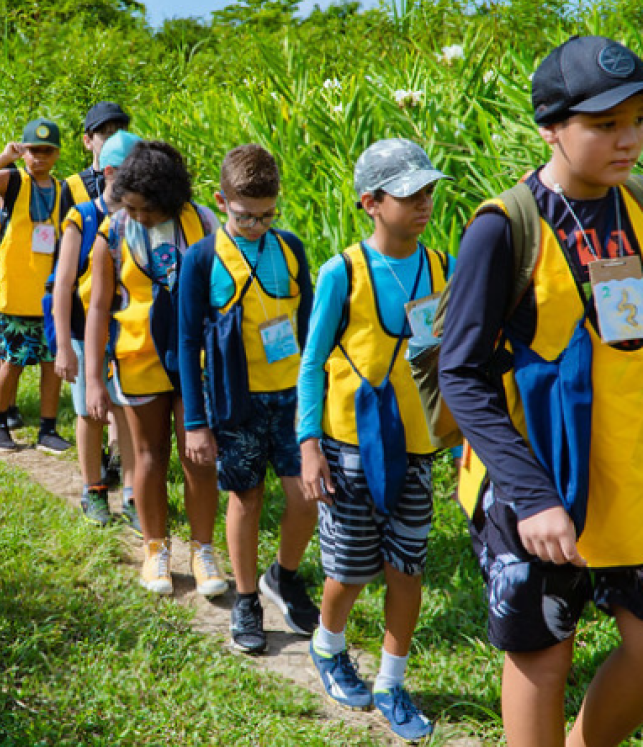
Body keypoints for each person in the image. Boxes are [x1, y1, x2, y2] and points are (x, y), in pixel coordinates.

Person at [441, 35, 643, 747]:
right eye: (605, 124)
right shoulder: (504, 229)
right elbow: (460, 374)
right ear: (550, 127)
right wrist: (533, 497)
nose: (628, 140)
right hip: (536, 482)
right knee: (544, 655)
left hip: (627, 476)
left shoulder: (636, 205)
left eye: (636, 121)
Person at [297, 138, 451, 741]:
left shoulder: (441, 266)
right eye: (409, 195)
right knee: (350, 569)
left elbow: (449, 357)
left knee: (406, 567)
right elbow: (312, 363)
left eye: (428, 193)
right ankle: (328, 645)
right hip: (348, 447)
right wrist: (309, 446)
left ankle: (391, 681)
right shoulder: (343, 272)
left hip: (415, 445)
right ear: (371, 203)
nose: (423, 205)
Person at [178, 143, 319, 653]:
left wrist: (318, 394)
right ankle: (245, 598)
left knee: (307, 495)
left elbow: (309, 329)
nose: (256, 225)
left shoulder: (291, 249)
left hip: (292, 399)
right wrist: (196, 423)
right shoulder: (202, 259)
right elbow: (186, 342)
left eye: (266, 215)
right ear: (221, 202)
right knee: (247, 497)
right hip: (236, 402)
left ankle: (282, 575)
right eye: (244, 216)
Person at [84, 140, 222, 597]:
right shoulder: (112, 232)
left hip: (195, 358)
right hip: (137, 357)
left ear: (171, 198)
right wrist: (93, 380)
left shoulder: (203, 223)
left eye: (148, 208)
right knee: (148, 455)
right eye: (131, 206)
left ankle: (203, 551)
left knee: (198, 455)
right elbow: (98, 307)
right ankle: (155, 548)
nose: (139, 216)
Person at [0, 119, 71, 455]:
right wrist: (4, 158)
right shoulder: (11, 180)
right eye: (33, 150)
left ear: (57, 154)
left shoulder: (64, 189)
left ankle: (48, 428)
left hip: (48, 295)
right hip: (13, 294)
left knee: (52, 363)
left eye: (47, 151)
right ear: (24, 151)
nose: (40, 157)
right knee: (12, 361)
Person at [53, 130, 139, 530]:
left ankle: (133, 495)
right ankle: (94, 489)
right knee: (89, 412)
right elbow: (63, 285)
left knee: (127, 411)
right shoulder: (83, 217)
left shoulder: (140, 219)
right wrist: (63, 347)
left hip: (127, 333)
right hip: (83, 331)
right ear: (109, 172)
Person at [62, 101, 131, 208]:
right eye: (107, 134)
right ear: (88, 141)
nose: (116, 140)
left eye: (121, 132)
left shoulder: (138, 180)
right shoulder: (72, 187)